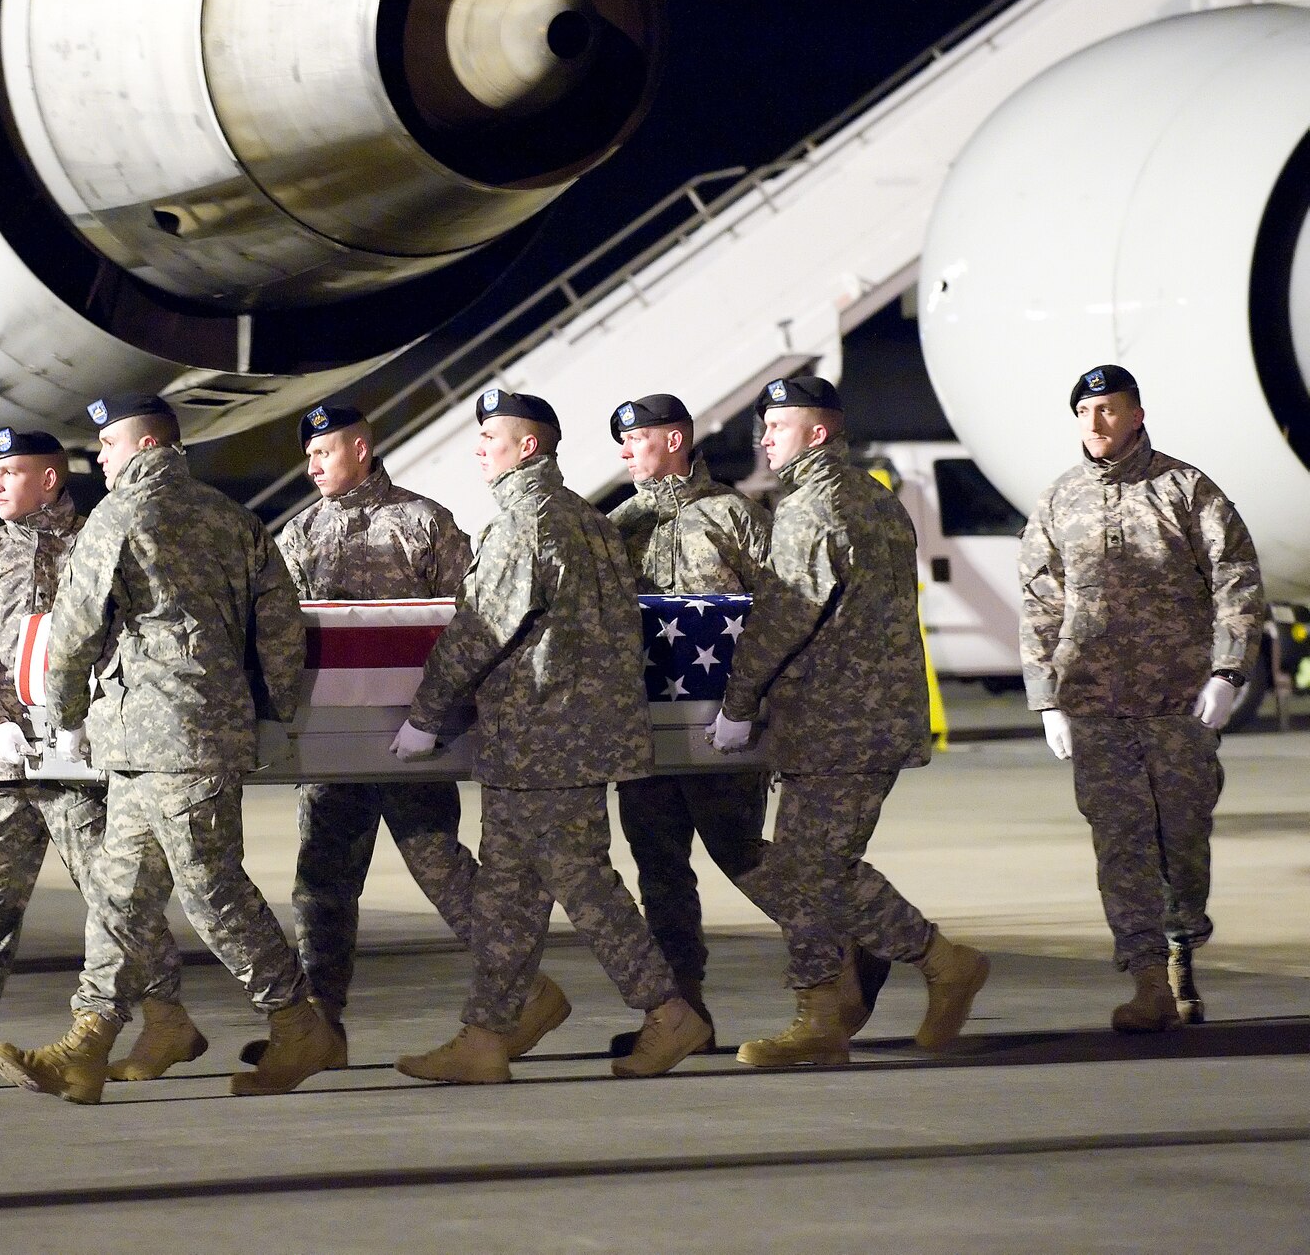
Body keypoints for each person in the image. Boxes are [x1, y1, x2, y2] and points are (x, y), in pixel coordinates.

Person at [0, 393, 336, 1105]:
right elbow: (280, 622)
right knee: (121, 896)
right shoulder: (235, 519)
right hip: (183, 738)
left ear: (144, 446)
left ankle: (299, 1022)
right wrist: (274, 714)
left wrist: (67, 713)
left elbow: (78, 624)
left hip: (164, 737)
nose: (102, 463)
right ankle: (86, 1044)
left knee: (212, 892)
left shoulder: (120, 515)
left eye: (108, 448)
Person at [392, 389, 711, 1085]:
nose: (480, 447)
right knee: (507, 891)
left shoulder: (523, 524)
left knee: (584, 882)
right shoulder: (590, 520)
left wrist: (426, 715)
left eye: (491, 437)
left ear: (527, 447)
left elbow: (480, 631)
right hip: (554, 738)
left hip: (544, 740)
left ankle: (667, 1009)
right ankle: (485, 1034)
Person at [0, 428, 200, 1090]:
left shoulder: (102, 544)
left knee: (117, 897)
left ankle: (166, 1015)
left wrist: (101, 721)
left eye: (10, 471)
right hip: (6, 762)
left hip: (85, 763)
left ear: (49, 479)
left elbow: (139, 640)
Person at [245, 402, 571, 1070]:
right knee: (321, 883)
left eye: (325, 453)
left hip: (412, 740)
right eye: (307, 456)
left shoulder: (423, 522)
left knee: (443, 870)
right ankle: (322, 1025)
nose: (312, 466)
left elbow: (474, 621)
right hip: (334, 746)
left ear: (362, 449)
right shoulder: (300, 533)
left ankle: (526, 989)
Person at [707, 377, 989, 1067]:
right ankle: (848, 1005)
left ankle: (909, 974)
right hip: (875, 716)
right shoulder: (877, 499)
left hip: (833, 721)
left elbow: (781, 619)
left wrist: (737, 704)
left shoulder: (810, 509)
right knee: (818, 868)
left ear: (820, 432)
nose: (765, 437)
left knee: (809, 867)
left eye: (779, 424)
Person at [1019, 365, 1263, 1031]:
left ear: (1136, 412)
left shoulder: (1186, 489)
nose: (1095, 422)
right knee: (1119, 842)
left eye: (1107, 408)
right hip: (1094, 706)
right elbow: (1039, 603)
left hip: (1178, 703)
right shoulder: (1058, 501)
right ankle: (1148, 978)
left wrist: (1227, 670)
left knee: (1183, 837)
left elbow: (1236, 577)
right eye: (1084, 411)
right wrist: (1046, 699)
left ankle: (1183, 941)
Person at [605, 393, 778, 1050]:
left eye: (636, 438)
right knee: (659, 868)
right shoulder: (620, 526)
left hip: (723, 728)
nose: (625, 452)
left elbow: (781, 618)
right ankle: (684, 1012)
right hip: (645, 732)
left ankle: (843, 948)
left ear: (674, 440)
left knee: (743, 855)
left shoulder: (734, 517)